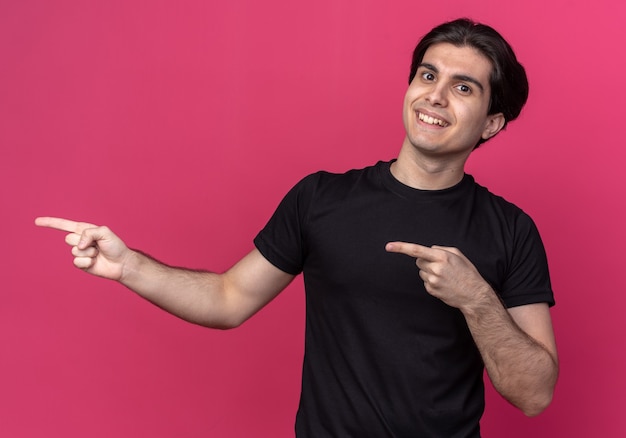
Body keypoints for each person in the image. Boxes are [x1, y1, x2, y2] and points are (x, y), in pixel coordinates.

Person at [36, 18, 558, 438]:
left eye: (463, 87)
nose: (436, 97)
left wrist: (477, 299)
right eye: (428, 75)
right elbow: (227, 298)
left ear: (491, 122)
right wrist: (128, 266)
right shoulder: (322, 199)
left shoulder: (511, 230)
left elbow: (534, 394)